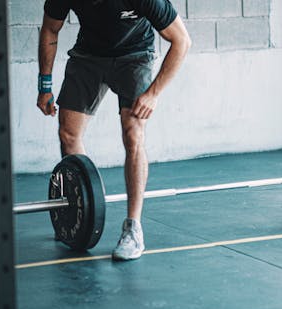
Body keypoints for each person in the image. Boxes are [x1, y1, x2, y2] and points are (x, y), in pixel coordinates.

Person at [36, 0, 191, 261]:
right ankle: (80, 211)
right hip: (88, 56)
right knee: (68, 133)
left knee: (133, 132)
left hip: (135, 56)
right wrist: (45, 84)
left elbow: (182, 41)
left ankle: (133, 228)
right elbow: (50, 29)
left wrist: (152, 94)